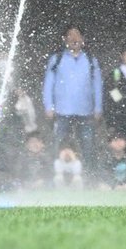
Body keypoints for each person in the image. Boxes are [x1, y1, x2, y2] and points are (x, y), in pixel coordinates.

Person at [42, 26, 103, 177]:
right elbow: (48, 83)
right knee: (58, 144)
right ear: (65, 39)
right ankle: (55, 177)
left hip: (86, 110)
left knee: (88, 146)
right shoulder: (57, 59)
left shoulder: (90, 59)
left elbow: (97, 85)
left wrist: (98, 107)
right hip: (62, 110)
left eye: (78, 35)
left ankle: (89, 178)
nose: (74, 39)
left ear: (83, 39)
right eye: (70, 35)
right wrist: (48, 106)